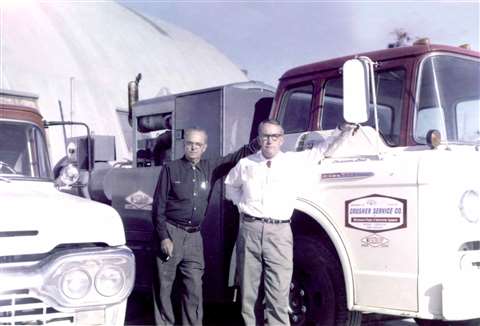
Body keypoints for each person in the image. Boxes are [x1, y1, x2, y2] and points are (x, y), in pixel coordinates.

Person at [224, 119, 328, 326]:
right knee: (249, 293)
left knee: (278, 292)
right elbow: (230, 187)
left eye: (274, 136)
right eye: (265, 136)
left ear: (281, 139)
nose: (269, 141)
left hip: (279, 233)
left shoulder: (293, 161)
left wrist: (343, 131)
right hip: (250, 230)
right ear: (259, 139)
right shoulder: (246, 164)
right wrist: (241, 205)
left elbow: (321, 150)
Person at [151, 127, 259, 326]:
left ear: (204, 147)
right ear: (185, 145)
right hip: (171, 233)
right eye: (190, 143)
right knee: (163, 287)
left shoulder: (210, 167)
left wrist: (258, 142)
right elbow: (158, 206)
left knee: (194, 289)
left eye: (198, 144)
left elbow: (235, 157)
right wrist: (164, 237)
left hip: (194, 238)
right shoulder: (171, 169)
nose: (193, 147)